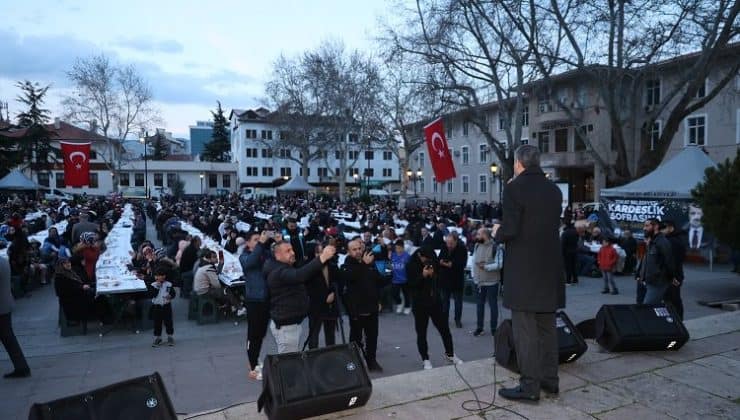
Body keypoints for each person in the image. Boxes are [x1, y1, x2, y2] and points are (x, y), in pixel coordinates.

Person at [492, 144, 565, 402]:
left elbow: (511, 229)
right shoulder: (554, 190)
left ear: (518, 163)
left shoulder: (514, 188)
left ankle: (530, 387)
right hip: (550, 269)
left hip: (524, 273)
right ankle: (550, 381)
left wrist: (496, 233)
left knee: (525, 332)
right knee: (547, 329)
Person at [264, 240, 336, 354]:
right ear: (277, 255)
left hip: (291, 323)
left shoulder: (283, 267)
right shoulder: (279, 271)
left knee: (291, 360)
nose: (292, 253)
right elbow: (300, 275)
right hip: (286, 327)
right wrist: (322, 257)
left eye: (292, 249)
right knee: (289, 363)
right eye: (288, 251)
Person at [405, 246, 463, 370]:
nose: (427, 262)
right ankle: (425, 359)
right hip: (419, 304)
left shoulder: (432, 261)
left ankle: (450, 354)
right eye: (425, 259)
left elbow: (439, 278)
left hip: (435, 302)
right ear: (420, 255)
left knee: (444, 329)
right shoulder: (410, 265)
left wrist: (434, 274)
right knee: (421, 333)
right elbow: (411, 284)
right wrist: (423, 275)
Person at [340, 238, 385, 371]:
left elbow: (379, 282)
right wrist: (364, 265)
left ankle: (371, 361)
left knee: (372, 337)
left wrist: (379, 300)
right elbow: (352, 277)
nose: (358, 251)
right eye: (354, 249)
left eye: (359, 248)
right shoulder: (347, 264)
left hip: (372, 307)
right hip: (356, 310)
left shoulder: (370, 263)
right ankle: (352, 363)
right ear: (348, 252)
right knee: (356, 339)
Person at [240, 231, 271, 380]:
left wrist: (277, 241)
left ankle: (255, 359)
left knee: (261, 333)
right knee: (253, 334)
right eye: (256, 240)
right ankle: (252, 366)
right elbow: (250, 263)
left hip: (266, 299)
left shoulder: (264, 253)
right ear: (248, 243)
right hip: (253, 299)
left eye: (260, 239)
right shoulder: (244, 256)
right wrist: (261, 245)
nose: (260, 242)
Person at [0, 256, 30, 378]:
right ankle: (21, 367)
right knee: (9, 338)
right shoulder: (3, 261)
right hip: (5, 305)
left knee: (8, 338)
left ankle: (22, 368)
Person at [306, 240, 339, 350]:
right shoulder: (310, 268)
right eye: (318, 253)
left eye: (323, 252)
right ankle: (313, 360)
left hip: (331, 308)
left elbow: (339, 281)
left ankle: (330, 358)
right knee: (314, 336)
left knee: (330, 336)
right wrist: (324, 298)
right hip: (316, 307)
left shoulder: (332, 266)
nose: (321, 256)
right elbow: (308, 289)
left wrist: (333, 293)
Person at [636, 218, 676, 305]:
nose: (644, 228)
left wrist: (670, 277)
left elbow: (669, 262)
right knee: (649, 307)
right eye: (644, 226)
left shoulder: (662, 242)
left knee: (647, 309)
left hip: (657, 282)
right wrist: (639, 274)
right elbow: (646, 260)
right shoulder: (652, 242)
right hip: (649, 281)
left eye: (647, 226)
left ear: (656, 227)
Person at [471, 227, 502, 337]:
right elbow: (473, 261)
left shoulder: (496, 247)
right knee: (480, 306)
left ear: (485, 235)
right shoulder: (477, 245)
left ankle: (494, 329)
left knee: (493, 305)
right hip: (479, 281)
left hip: (492, 282)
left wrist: (486, 267)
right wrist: (473, 275)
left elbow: (499, 264)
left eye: (479, 234)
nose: (477, 236)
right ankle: (480, 328)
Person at [437, 232, 467, 328]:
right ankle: (444, 319)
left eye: (451, 243)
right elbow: (439, 259)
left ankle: (457, 320)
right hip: (444, 279)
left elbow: (461, 264)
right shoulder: (444, 247)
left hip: (457, 280)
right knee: (444, 302)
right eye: (447, 242)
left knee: (458, 302)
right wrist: (446, 263)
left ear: (456, 241)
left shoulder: (462, 249)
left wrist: (447, 264)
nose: (448, 245)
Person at [661, 220, 686, 318]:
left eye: (663, 228)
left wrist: (672, 276)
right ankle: (675, 321)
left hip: (673, 276)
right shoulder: (670, 240)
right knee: (670, 299)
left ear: (671, 228)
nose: (661, 230)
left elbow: (674, 261)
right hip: (671, 275)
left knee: (673, 299)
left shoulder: (673, 241)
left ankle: (677, 322)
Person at [148, 268, 176, 347]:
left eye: (163, 275)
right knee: (157, 323)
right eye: (159, 276)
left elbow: (173, 293)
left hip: (167, 305)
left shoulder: (169, 284)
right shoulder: (153, 285)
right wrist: (157, 287)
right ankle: (158, 337)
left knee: (168, 322)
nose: (161, 277)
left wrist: (170, 296)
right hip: (157, 306)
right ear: (156, 277)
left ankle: (170, 336)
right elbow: (152, 295)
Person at [390, 240, 412, 314]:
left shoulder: (407, 256)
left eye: (399, 248)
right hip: (395, 279)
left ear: (403, 248)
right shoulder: (393, 255)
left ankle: (407, 306)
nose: (398, 250)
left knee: (406, 294)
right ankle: (399, 304)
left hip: (405, 279)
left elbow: (410, 268)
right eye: (396, 248)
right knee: (395, 293)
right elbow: (390, 265)